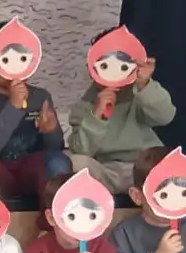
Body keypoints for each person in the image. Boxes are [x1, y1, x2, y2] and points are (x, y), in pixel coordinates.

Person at [0, 22, 72, 199]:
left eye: (21, 60)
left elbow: (54, 149)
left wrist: (51, 131)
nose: (14, 70)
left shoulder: (40, 96)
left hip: (31, 172)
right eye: (5, 61)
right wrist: (13, 106)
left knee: (59, 162)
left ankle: (52, 215)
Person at [69, 41, 176, 192]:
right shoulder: (85, 104)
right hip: (106, 170)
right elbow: (81, 150)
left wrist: (145, 84)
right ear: (92, 68)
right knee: (75, 162)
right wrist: (96, 115)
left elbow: (165, 117)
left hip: (143, 166)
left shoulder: (139, 93)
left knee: (166, 165)